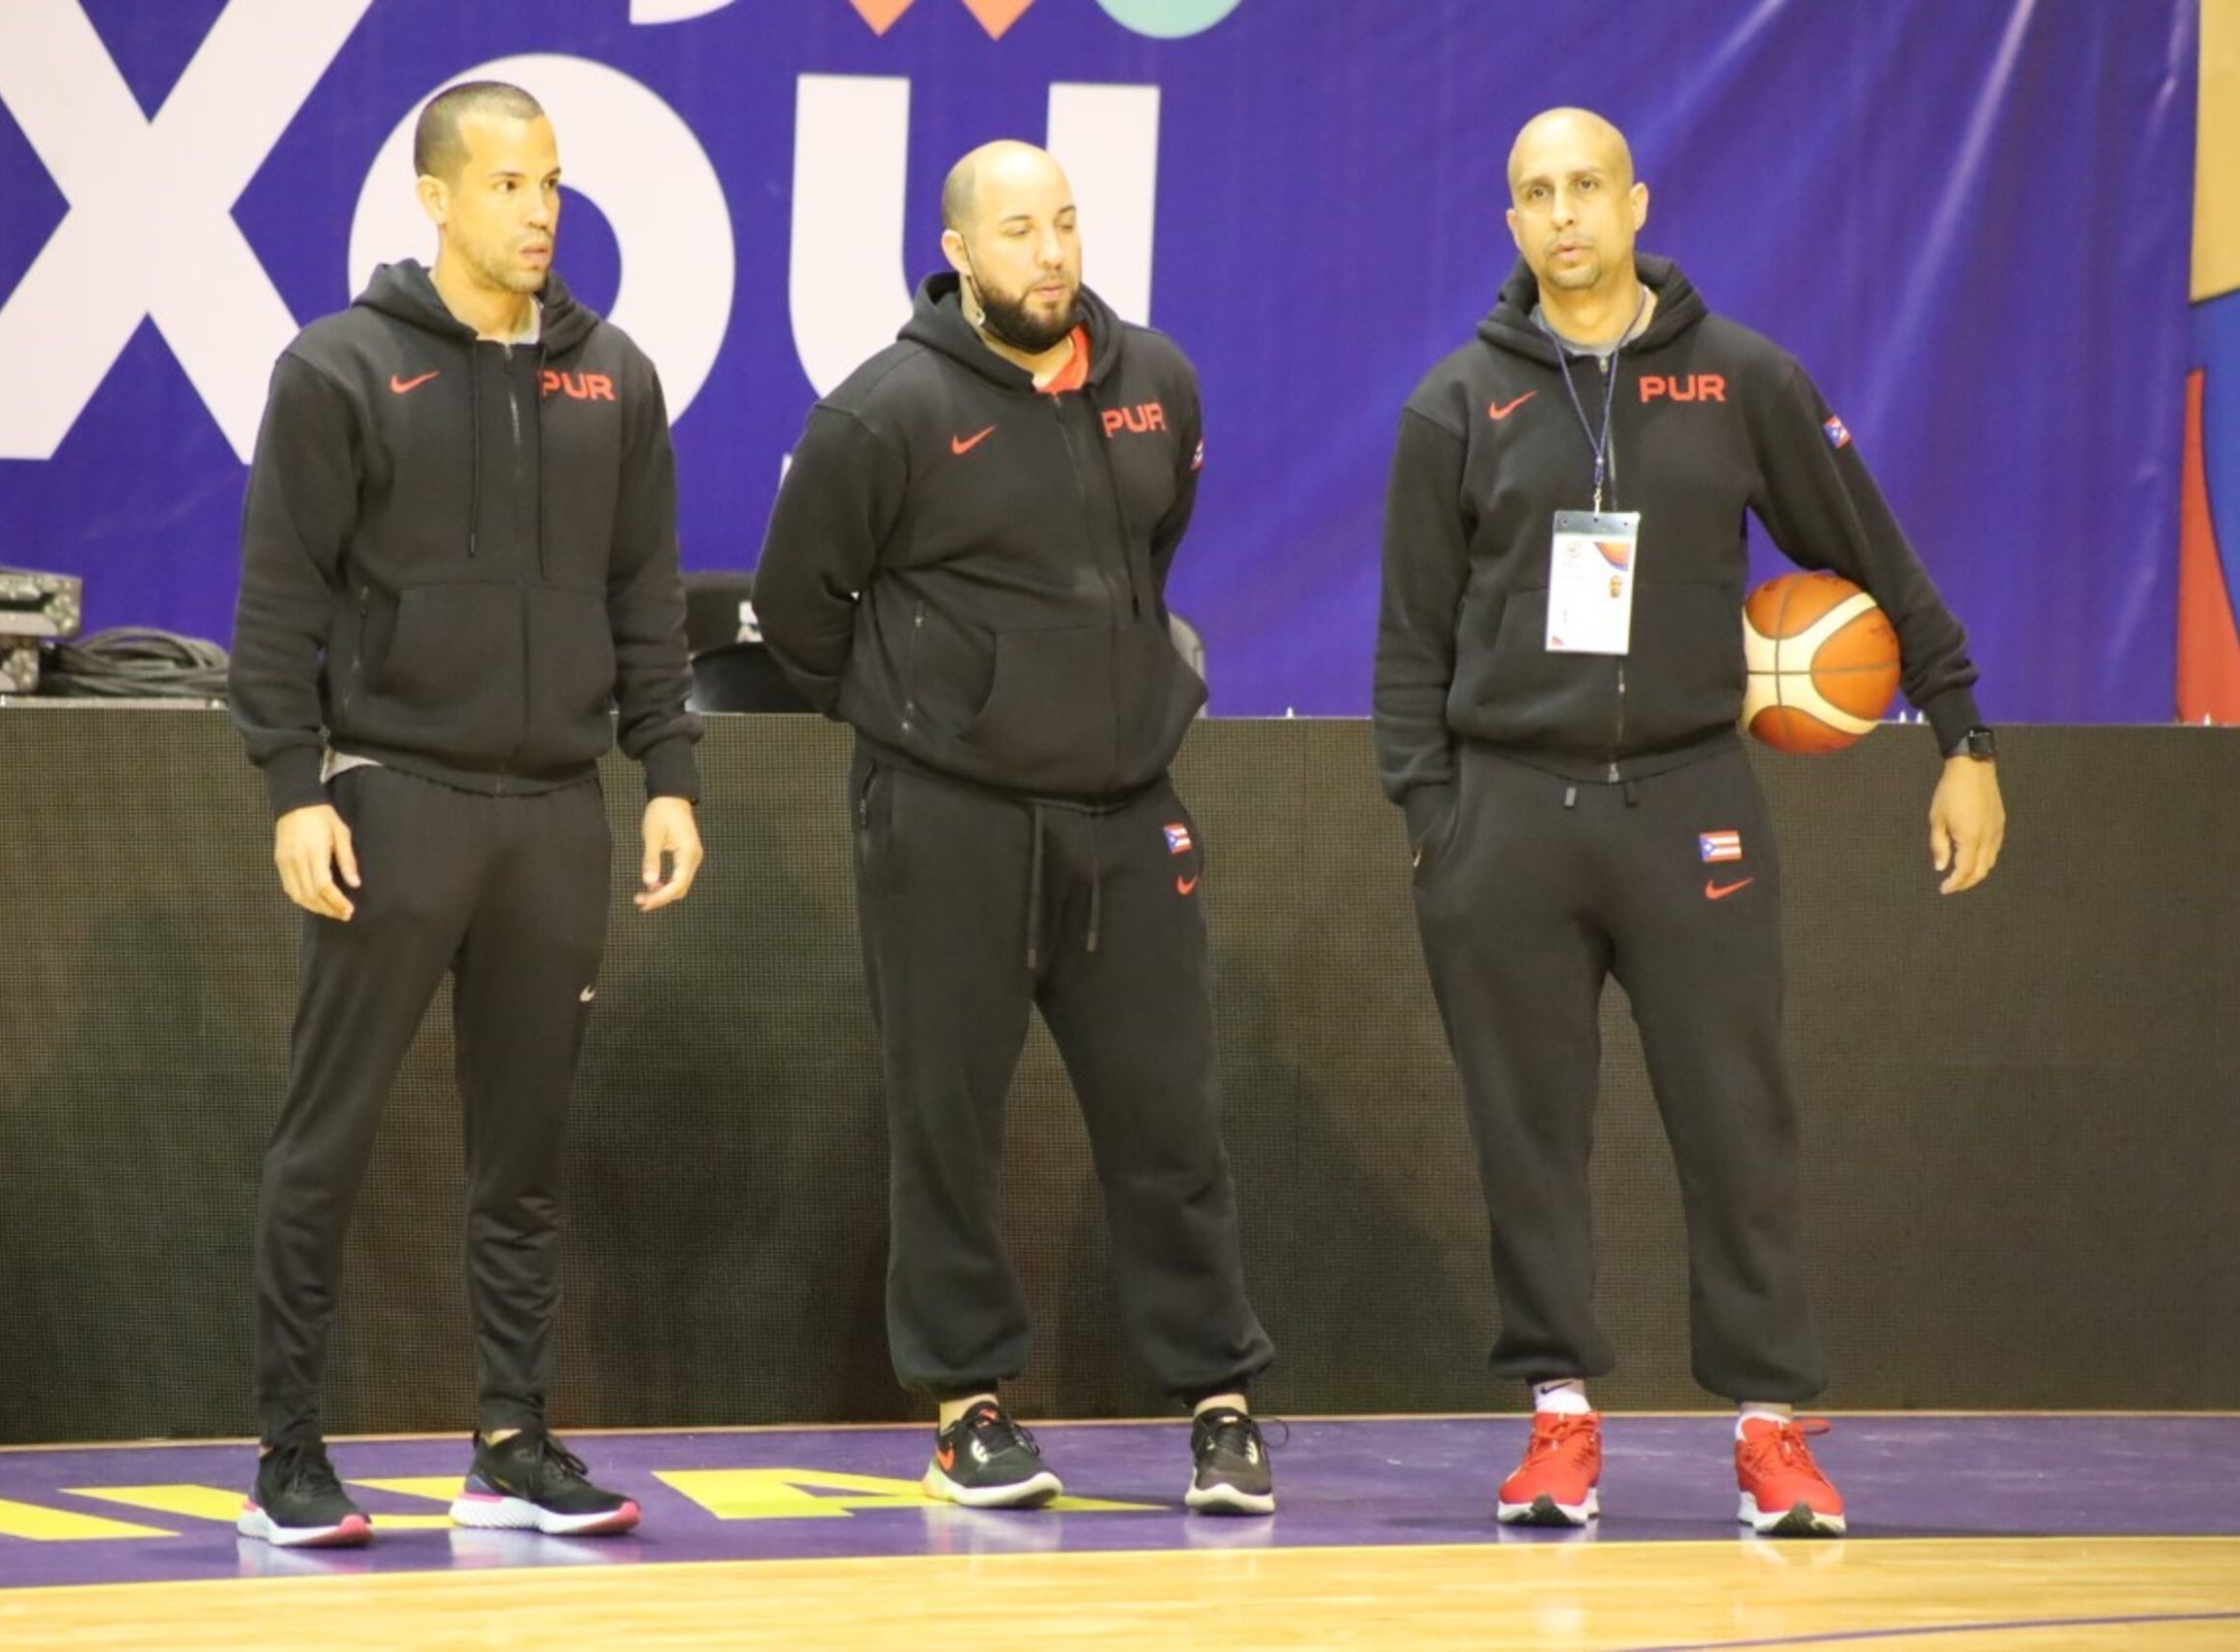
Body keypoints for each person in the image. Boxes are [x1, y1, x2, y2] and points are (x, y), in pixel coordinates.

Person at [1375, 108, 2005, 1536]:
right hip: (1508, 814)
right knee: (1528, 1129)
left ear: (1637, 201)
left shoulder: (1741, 380)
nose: (1565, 214)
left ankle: (1771, 1430)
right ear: (1513, 222)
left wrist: (1962, 733)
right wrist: (1433, 816)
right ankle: (1557, 1423)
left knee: (1737, 1120)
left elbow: (1876, 554)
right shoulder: (1456, 403)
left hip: (1692, 803)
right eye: (1535, 193)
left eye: (1586, 186)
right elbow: (1408, 641)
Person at [753, 141, 1275, 1515]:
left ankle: (1219, 1404)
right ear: (960, 253)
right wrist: (938, 714)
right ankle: (968, 1407)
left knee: (1172, 1120)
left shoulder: (1157, 385)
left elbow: (1149, 561)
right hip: (948, 821)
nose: (1049, 254)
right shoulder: (889, 411)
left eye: (1064, 224)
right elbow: (802, 610)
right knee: (948, 1123)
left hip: (1126, 814)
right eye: (1017, 232)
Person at [227, 81, 704, 1547]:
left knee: (526, 1154)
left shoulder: (612, 374)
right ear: (434, 197)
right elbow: (278, 607)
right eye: (507, 185)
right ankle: (288, 1456)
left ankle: (509, 1442)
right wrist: (295, 789)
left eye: (551, 183)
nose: (539, 211)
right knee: (330, 1140)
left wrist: (668, 770)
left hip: (555, 812)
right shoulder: (341, 369)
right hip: (396, 798)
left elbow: (645, 595)